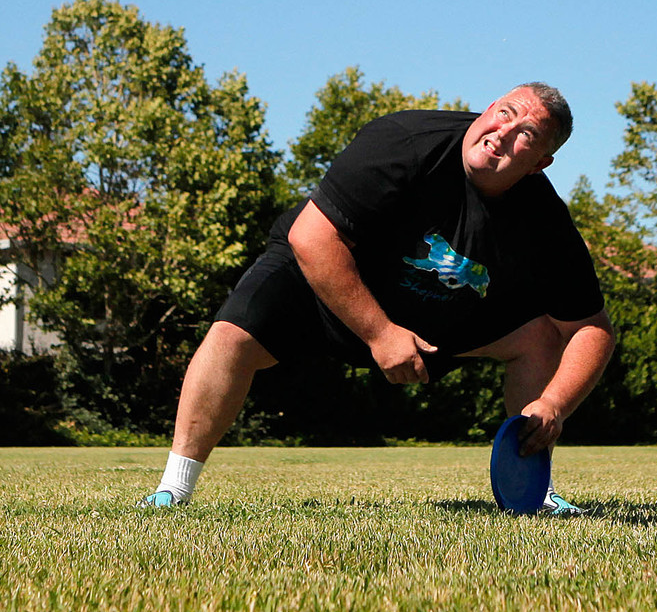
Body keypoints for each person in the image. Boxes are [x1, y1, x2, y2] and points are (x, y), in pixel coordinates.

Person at [142, 83, 615, 514]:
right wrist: (380, 333)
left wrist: (554, 404)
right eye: (504, 112)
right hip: (327, 279)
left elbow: (592, 329)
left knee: (540, 335)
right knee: (233, 333)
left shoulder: (544, 220)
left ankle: (535, 490)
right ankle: (173, 488)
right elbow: (312, 237)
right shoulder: (407, 139)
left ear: (540, 164)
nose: (502, 132)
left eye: (526, 133)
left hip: (435, 316)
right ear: (489, 107)